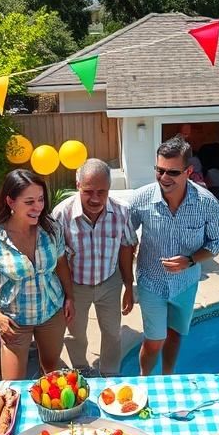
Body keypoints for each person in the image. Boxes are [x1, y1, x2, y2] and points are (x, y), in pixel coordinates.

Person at [129, 135, 219, 375]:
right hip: (151, 282)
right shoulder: (141, 199)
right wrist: (125, 281)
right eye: (160, 170)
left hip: (186, 284)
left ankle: (168, 378)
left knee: (174, 335)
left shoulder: (206, 203)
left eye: (172, 172)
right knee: (154, 341)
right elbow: (126, 239)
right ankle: (145, 380)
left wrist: (190, 260)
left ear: (189, 171)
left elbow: (217, 242)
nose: (164, 177)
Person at [0, 169, 74, 380]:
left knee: (51, 372)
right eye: (29, 202)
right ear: (10, 202)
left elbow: (62, 265)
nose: (38, 207)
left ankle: (49, 413)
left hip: (51, 311)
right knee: (12, 384)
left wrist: (70, 297)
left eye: (40, 199)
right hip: (13, 320)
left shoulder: (51, 228)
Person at [51, 158, 136, 375]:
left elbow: (126, 248)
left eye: (102, 191)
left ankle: (109, 373)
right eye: (89, 191)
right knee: (75, 334)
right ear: (78, 185)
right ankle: (81, 369)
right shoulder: (61, 214)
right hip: (75, 286)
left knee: (112, 333)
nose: (96, 198)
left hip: (110, 282)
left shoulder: (122, 212)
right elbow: (56, 258)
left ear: (109, 188)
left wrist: (128, 285)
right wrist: (66, 294)